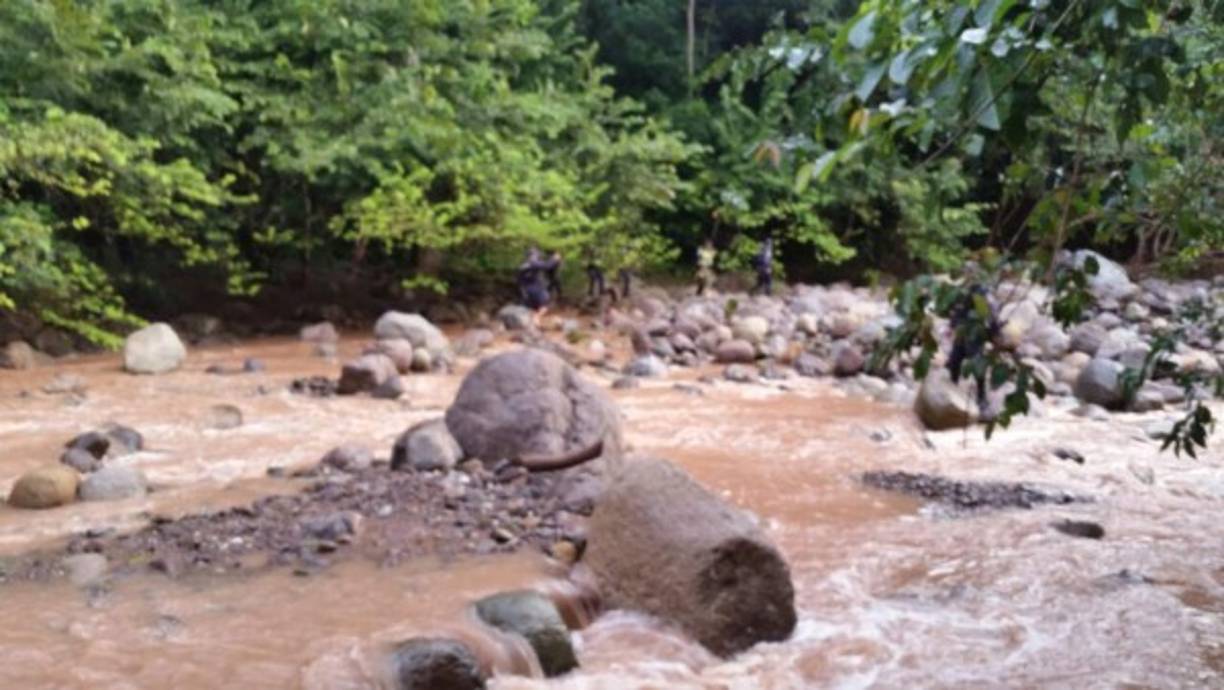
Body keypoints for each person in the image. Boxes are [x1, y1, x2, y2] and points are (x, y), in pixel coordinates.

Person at [946, 283, 1001, 415]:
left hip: (976, 343)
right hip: (961, 341)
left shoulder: (987, 309)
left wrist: (994, 336)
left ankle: (981, 398)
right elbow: (954, 321)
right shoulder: (964, 305)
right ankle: (952, 391)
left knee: (978, 371)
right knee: (954, 363)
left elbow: (993, 327)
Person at [517, 248, 560, 328]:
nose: (538, 257)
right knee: (545, 305)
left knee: (534, 307)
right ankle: (536, 318)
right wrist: (555, 259)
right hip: (535, 288)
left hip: (526, 289)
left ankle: (535, 323)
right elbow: (547, 266)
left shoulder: (522, 265)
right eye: (537, 255)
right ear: (533, 255)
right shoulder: (533, 263)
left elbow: (519, 280)